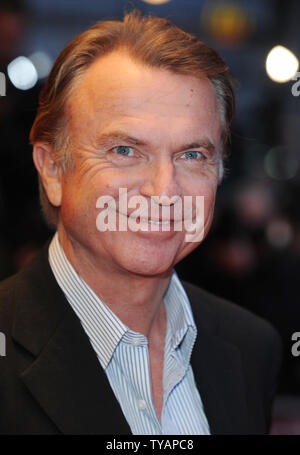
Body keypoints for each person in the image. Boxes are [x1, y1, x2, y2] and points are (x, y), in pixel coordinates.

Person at [0, 10, 281, 435]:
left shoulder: (251, 348)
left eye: (192, 155)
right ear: (53, 169)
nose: (164, 191)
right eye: (125, 151)